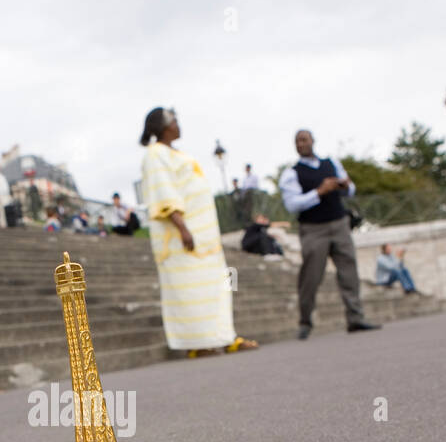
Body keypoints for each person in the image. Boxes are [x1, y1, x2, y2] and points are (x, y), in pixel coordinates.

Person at [139, 106, 257, 357]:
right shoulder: (154, 153)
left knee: (220, 286)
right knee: (188, 290)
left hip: (205, 239)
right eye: (174, 120)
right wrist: (182, 227)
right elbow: (163, 191)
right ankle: (197, 344)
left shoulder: (175, 153)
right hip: (181, 238)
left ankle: (226, 337)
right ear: (162, 126)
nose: (178, 124)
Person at [279, 129, 379, 338]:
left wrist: (345, 185)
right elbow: (292, 204)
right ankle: (305, 321)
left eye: (304, 140)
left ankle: (355, 318)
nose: (301, 144)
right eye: (297, 141)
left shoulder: (331, 163)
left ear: (313, 141)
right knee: (311, 277)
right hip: (313, 229)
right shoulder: (292, 174)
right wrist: (319, 191)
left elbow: (351, 189)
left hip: (340, 223)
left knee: (349, 271)